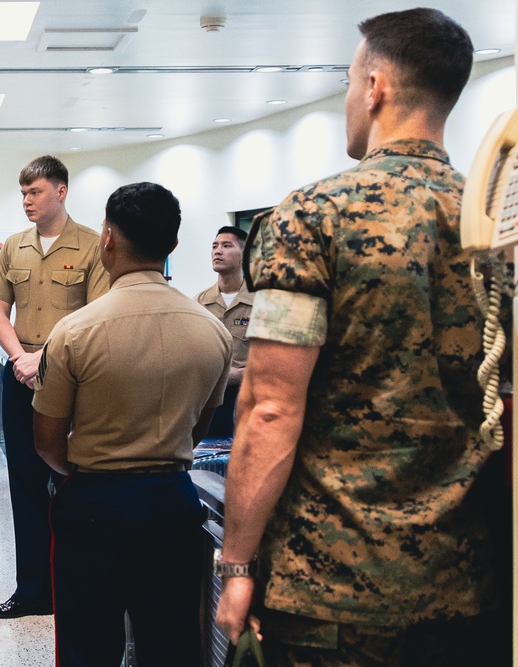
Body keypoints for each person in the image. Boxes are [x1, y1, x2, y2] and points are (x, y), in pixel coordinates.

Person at [215, 9, 504, 665]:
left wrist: (234, 566)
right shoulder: (492, 226)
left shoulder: (313, 216)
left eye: (349, 80)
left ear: (374, 87)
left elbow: (270, 405)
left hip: (330, 595)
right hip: (465, 590)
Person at [33, 182, 231, 666]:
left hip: (96, 501)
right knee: (172, 643)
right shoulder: (213, 332)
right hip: (174, 501)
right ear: (174, 245)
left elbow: (47, 442)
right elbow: (200, 429)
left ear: (107, 240)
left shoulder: (75, 331)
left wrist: (89, 470)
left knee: (87, 643)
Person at [0, 155, 108, 618]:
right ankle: (32, 590)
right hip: (19, 373)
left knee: (72, 481)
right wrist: (21, 358)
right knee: (25, 482)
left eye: (35, 192)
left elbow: (94, 317)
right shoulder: (14, 247)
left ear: (61, 191)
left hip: (70, 376)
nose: (27, 201)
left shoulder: (94, 247)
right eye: (23, 193)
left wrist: (44, 358)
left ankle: (74, 591)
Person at [194, 226, 252, 437]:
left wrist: (239, 374)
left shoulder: (262, 302)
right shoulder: (199, 303)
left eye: (227, 246)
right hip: (208, 399)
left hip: (248, 396)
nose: (218, 251)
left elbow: (275, 358)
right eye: (214, 246)